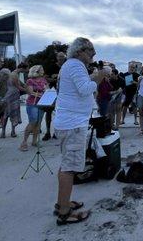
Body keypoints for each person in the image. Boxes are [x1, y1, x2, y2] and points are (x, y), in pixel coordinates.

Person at [53, 37, 96, 225]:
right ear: (80, 51)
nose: (93, 55)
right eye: (91, 51)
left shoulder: (70, 65)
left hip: (69, 122)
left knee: (66, 164)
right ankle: (64, 212)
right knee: (69, 168)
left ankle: (63, 201)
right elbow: (85, 90)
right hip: (73, 124)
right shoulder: (76, 65)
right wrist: (98, 77)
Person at [19, 65, 48, 151]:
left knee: (38, 122)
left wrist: (47, 93)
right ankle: (24, 142)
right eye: (41, 69)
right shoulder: (30, 81)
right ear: (36, 71)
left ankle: (34, 141)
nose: (43, 71)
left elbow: (47, 90)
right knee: (33, 122)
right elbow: (30, 92)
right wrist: (41, 95)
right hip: (32, 103)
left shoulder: (44, 80)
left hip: (42, 104)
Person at [0, 62, 28, 139]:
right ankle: (12, 131)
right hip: (13, 95)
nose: (26, 71)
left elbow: (21, 84)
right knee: (13, 113)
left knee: (6, 114)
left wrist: (26, 86)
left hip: (9, 94)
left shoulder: (13, 73)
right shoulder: (14, 75)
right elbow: (18, 86)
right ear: (22, 68)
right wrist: (29, 91)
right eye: (25, 69)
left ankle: (3, 132)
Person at [43, 51, 67, 141]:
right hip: (52, 91)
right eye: (59, 57)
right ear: (57, 57)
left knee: (60, 113)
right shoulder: (51, 66)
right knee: (48, 112)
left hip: (63, 93)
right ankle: (48, 132)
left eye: (62, 57)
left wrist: (58, 76)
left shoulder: (66, 66)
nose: (61, 58)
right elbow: (45, 78)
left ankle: (57, 132)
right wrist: (53, 78)